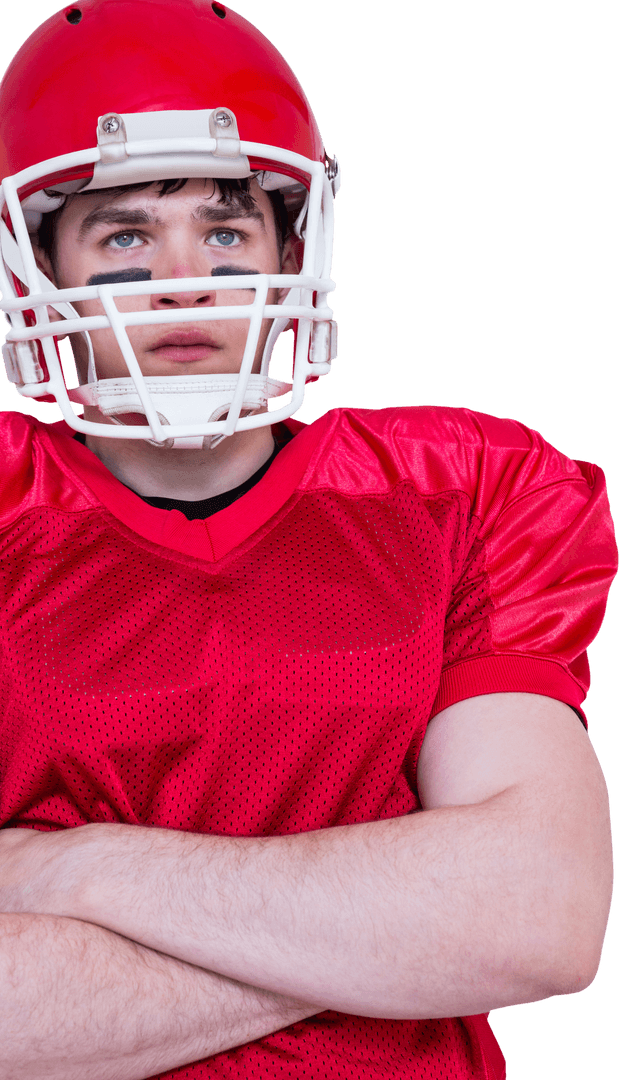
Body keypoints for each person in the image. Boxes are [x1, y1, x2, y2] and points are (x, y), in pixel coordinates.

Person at [0, 3, 615, 1079]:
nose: (185, 276)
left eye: (225, 230)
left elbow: (535, 917)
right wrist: (397, 933)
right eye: (127, 233)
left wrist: (76, 872)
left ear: (295, 241)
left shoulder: (465, 491)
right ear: (39, 262)